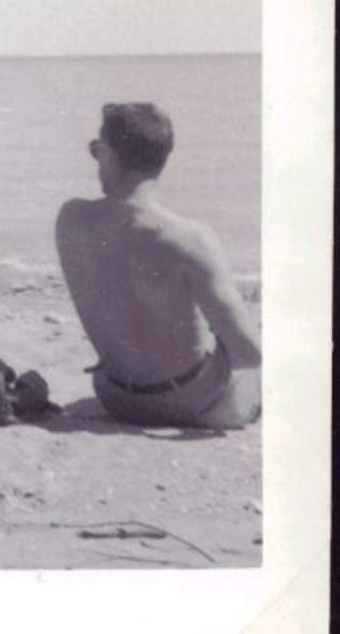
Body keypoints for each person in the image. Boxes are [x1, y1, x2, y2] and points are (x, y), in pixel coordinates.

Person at [55, 102, 262, 428]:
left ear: (109, 153)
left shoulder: (71, 219)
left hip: (116, 398)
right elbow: (249, 354)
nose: (95, 159)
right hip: (192, 402)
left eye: (97, 150)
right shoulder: (189, 238)